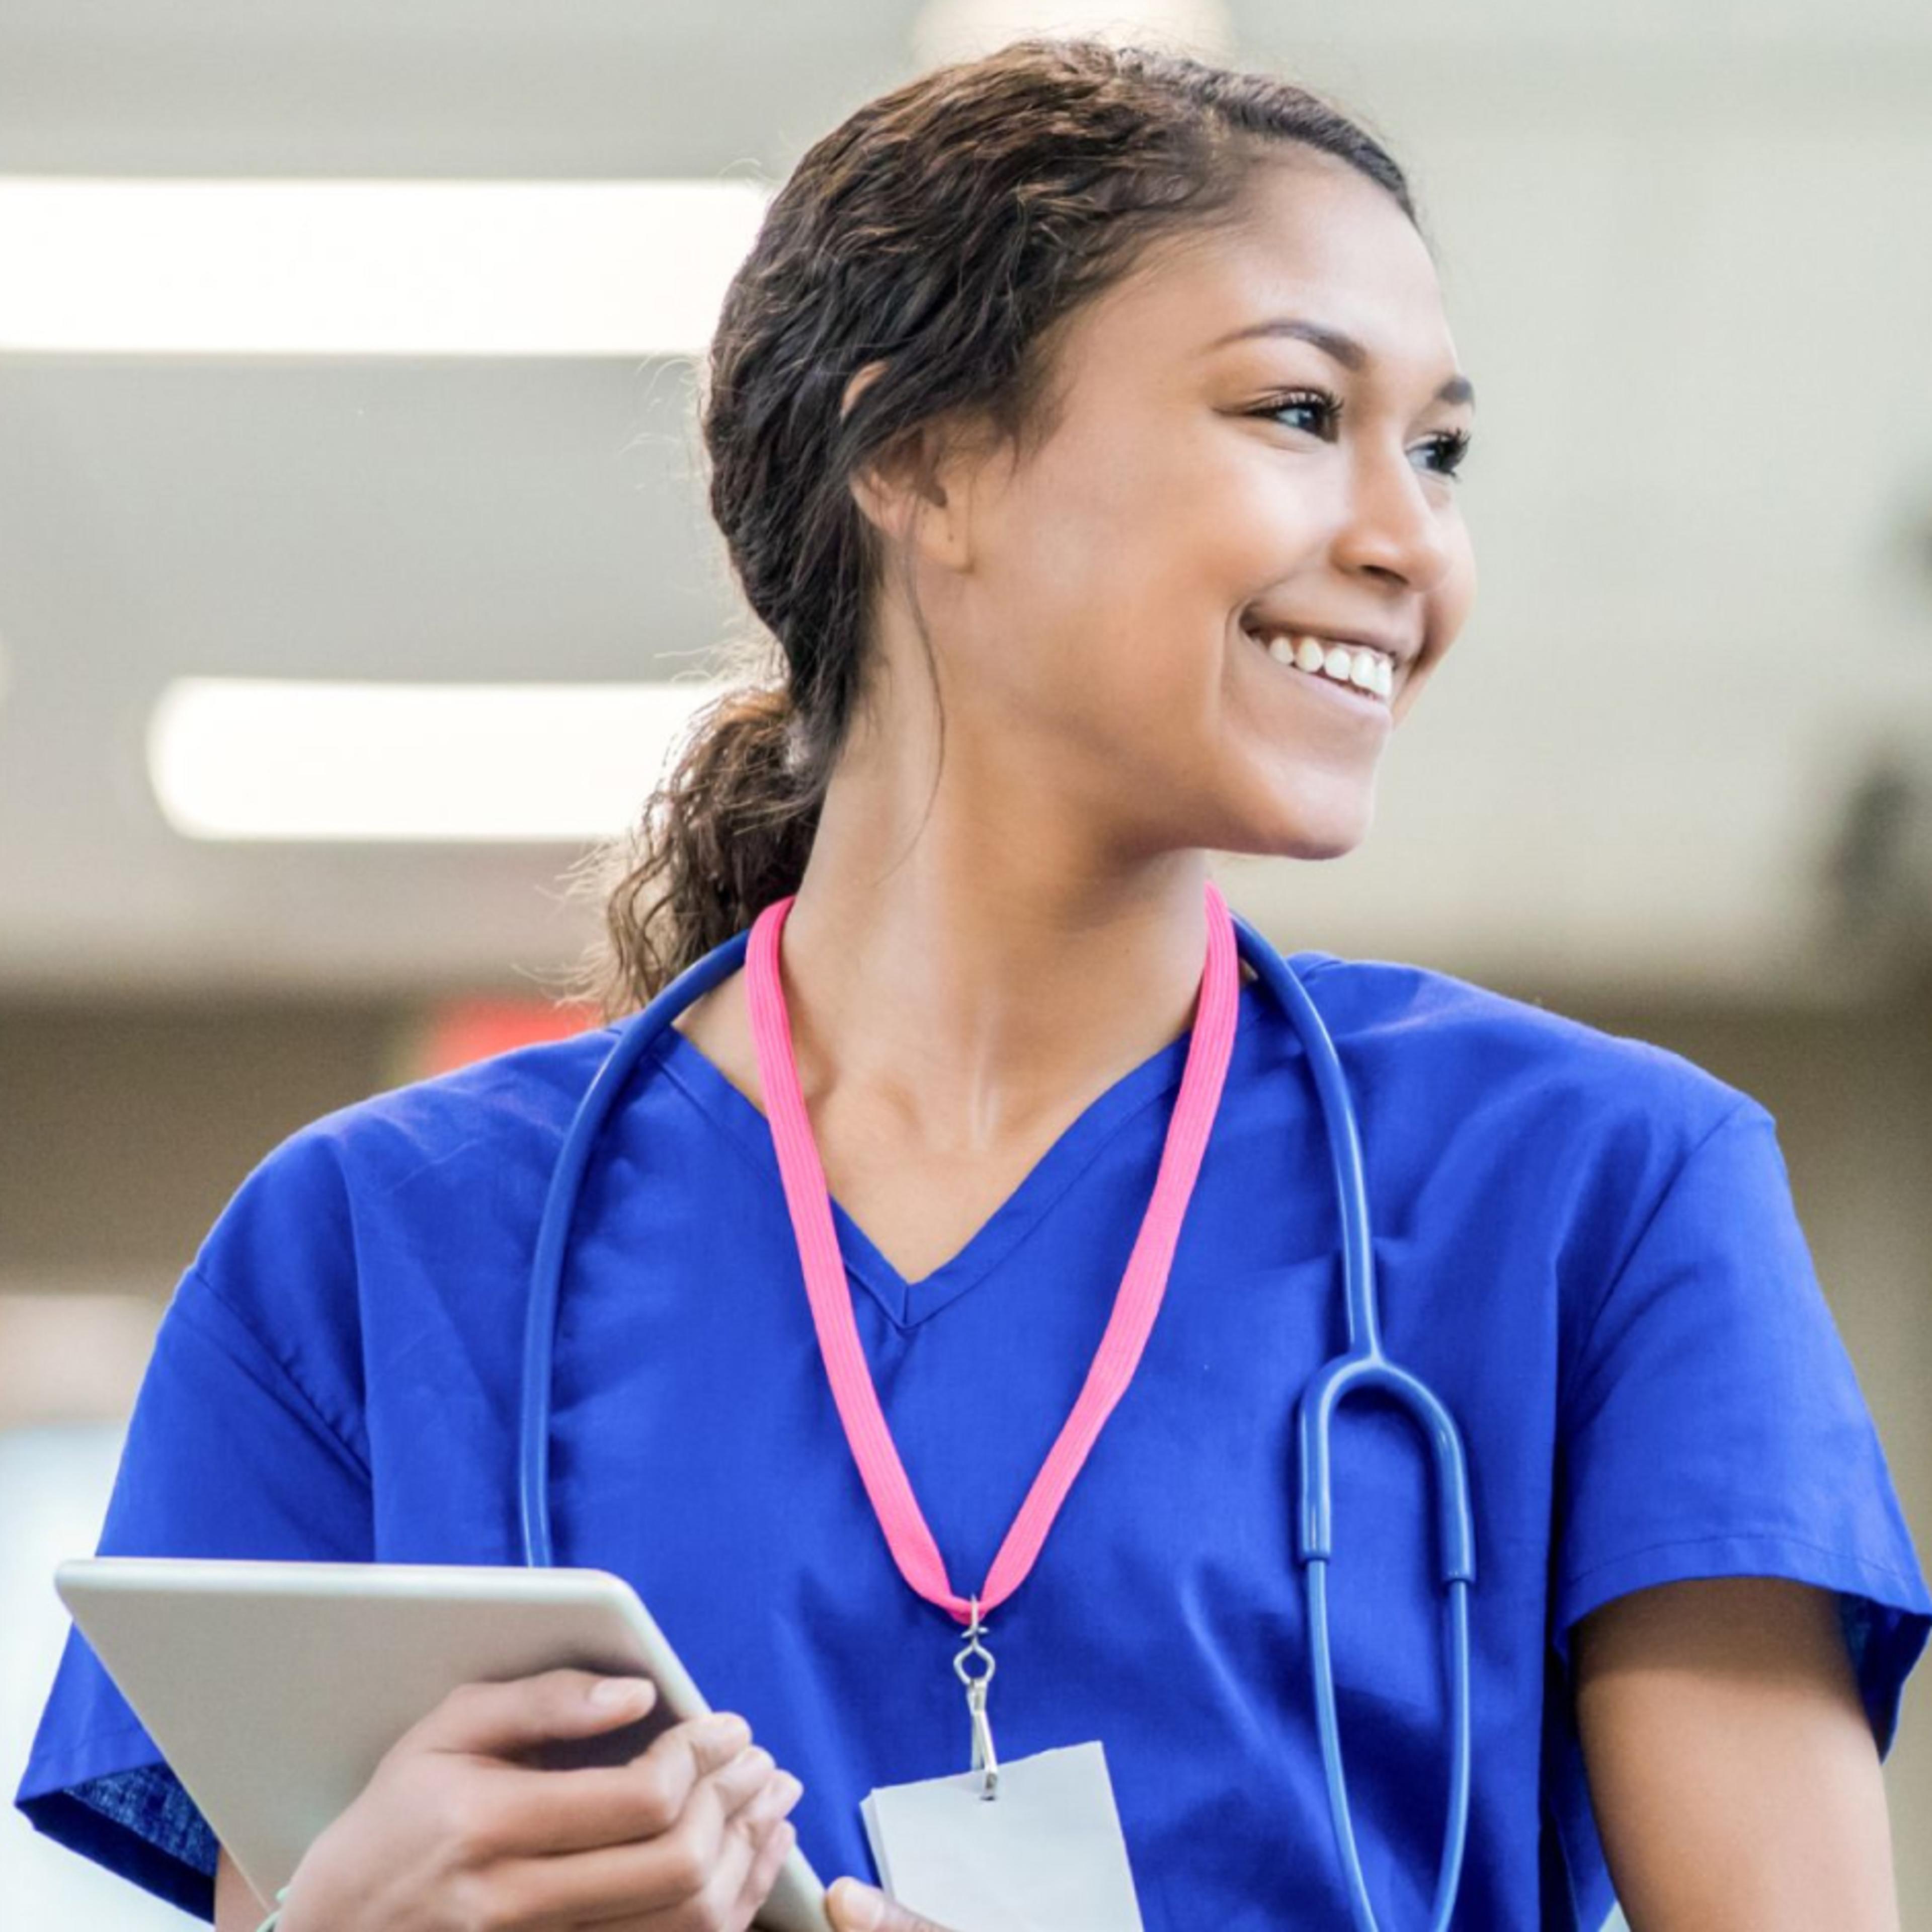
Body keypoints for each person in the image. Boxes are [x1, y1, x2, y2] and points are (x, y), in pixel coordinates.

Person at [15, 33, 1930, 1932]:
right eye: (1295, 415)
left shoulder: (1600, 1196)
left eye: (1438, 450)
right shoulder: (369, 1257)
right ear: (924, 464)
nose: (1410, 538)